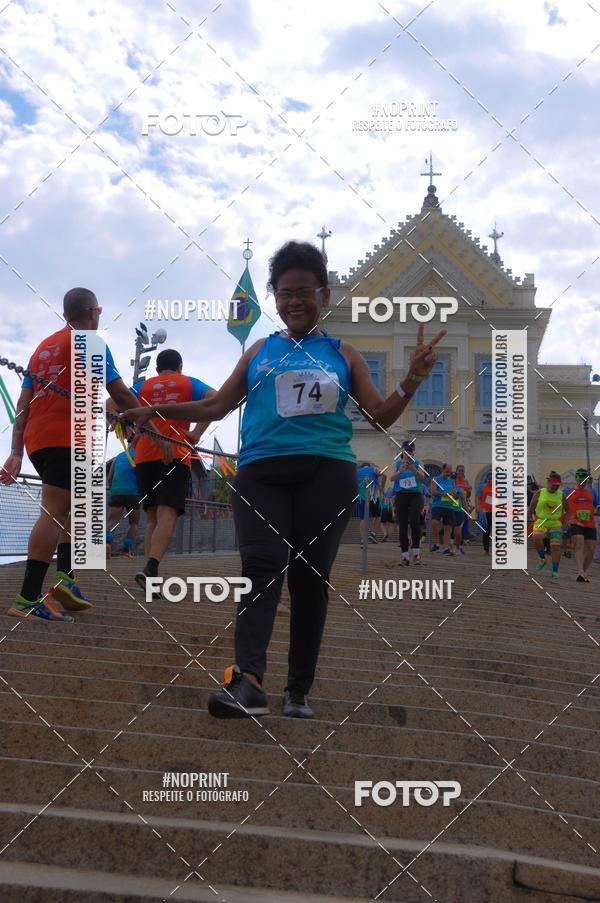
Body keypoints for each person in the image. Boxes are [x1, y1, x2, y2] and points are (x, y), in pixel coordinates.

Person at [123, 240, 445, 719]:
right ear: (274, 298)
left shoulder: (345, 354)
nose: (293, 301)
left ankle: (298, 689)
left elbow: (379, 416)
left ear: (325, 295)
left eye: (304, 291)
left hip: (326, 474)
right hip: (260, 476)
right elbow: (215, 406)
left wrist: (412, 380)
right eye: (283, 292)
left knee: (310, 580)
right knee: (259, 570)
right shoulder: (259, 351)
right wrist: (155, 409)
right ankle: (248, 681)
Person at [0, 288, 141, 620]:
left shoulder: (42, 348)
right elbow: (120, 393)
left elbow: (23, 404)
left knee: (78, 510)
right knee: (55, 511)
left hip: (38, 438)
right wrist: (152, 421)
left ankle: (66, 578)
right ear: (93, 311)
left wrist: (16, 451)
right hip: (67, 437)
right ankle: (28, 598)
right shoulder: (90, 343)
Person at [125, 349, 215, 597]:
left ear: (156, 369)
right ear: (180, 366)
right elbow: (214, 399)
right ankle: (151, 569)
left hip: (144, 456)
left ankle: (150, 584)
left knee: (152, 518)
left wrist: (130, 427)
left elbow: (114, 402)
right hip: (175, 454)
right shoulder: (188, 383)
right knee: (168, 514)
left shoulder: (141, 387)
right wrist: (197, 432)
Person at [527, 471, 570, 580]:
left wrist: (566, 522)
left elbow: (568, 510)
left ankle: (555, 571)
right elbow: (531, 508)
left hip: (555, 523)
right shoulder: (539, 493)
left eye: (557, 485)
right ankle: (542, 559)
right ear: (548, 481)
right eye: (553, 484)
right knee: (536, 537)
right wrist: (526, 521)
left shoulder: (561, 495)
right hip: (541, 521)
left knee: (555, 546)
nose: (554, 487)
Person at [390, 440, 426, 565]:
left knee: (415, 521)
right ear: (403, 451)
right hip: (401, 495)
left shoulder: (418, 462)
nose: (409, 452)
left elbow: (423, 478)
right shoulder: (398, 463)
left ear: (413, 452)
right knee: (403, 524)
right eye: (406, 450)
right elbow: (391, 478)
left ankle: (416, 553)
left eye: (411, 450)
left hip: (416, 495)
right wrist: (400, 470)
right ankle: (405, 556)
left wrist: (413, 469)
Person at [106, 440, 140, 557]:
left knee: (113, 521)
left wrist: (113, 489)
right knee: (134, 523)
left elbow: (110, 477)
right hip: (133, 493)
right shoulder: (139, 456)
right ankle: (126, 550)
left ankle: (106, 544)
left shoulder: (118, 457)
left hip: (116, 492)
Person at [568, 468, 598, 583]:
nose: (582, 483)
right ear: (576, 479)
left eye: (584, 481)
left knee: (591, 549)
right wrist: (569, 518)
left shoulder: (592, 492)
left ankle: (583, 573)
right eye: (580, 480)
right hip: (576, 523)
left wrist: (592, 511)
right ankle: (580, 570)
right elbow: (564, 507)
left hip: (590, 523)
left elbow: (596, 506)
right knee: (579, 544)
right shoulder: (569, 492)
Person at [429, 463, 464, 556]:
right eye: (447, 472)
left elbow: (454, 495)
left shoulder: (452, 481)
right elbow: (432, 492)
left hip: (449, 506)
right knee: (434, 522)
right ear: (442, 470)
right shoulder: (435, 479)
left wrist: (456, 495)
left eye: (450, 472)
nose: (449, 474)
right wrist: (444, 494)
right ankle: (436, 543)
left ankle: (446, 548)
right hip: (437, 505)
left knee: (448, 528)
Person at [357, 461, 381, 545]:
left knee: (363, 519)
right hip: (373, 497)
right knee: (377, 516)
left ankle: (363, 540)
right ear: (369, 466)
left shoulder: (357, 471)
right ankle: (373, 534)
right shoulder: (373, 468)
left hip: (361, 497)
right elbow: (380, 473)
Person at [453, 464, 473, 554]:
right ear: (456, 471)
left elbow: (468, 496)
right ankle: (451, 546)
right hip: (453, 505)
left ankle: (459, 546)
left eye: (462, 471)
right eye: (459, 470)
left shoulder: (466, 482)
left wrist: (469, 491)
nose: (461, 472)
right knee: (453, 527)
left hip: (463, 506)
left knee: (461, 527)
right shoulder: (453, 480)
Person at [476, 471, 494, 555]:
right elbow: (478, 498)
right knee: (486, 531)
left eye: (492, 479)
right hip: (485, 512)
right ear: (487, 479)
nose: (491, 480)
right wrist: (478, 508)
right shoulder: (482, 487)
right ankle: (486, 550)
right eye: (489, 478)